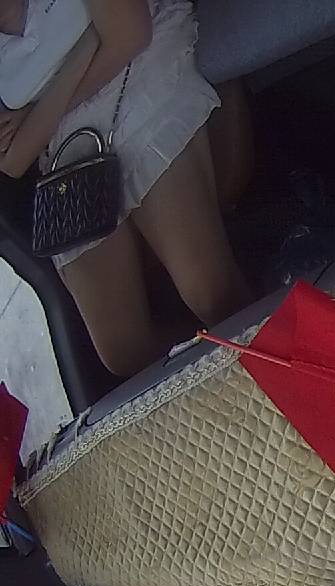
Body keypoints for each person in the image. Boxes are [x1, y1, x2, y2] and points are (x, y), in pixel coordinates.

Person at [0, 0, 252, 378]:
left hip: (138, 72)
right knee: (124, 353)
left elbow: (130, 37)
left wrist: (37, 113)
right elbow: (13, 160)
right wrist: (86, 47)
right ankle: (221, 391)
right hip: (66, 135)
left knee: (210, 293)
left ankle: (297, 365)